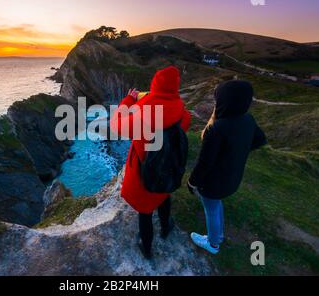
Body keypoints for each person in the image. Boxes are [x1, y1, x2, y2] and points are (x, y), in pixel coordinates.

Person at [110, 66, 191, 259]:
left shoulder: (141, 117)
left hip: (143, 174)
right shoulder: (182, 113)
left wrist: (130, 100)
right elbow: (173, 115)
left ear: (154, 86)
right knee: (163, 197)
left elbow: (115, 124)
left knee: (145, 212)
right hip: (168, 169)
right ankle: (165, 228)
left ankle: (146, 249)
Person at [187, 80, 267, 254]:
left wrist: (192, 182)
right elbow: (260, 139)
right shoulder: (247, 119)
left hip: (213, 182)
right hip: (232, 178)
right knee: (216, 205)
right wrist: (238, 152)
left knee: (211, 210)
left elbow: (204, 163)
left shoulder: (216, 129)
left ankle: (213, 243)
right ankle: (219, 235)